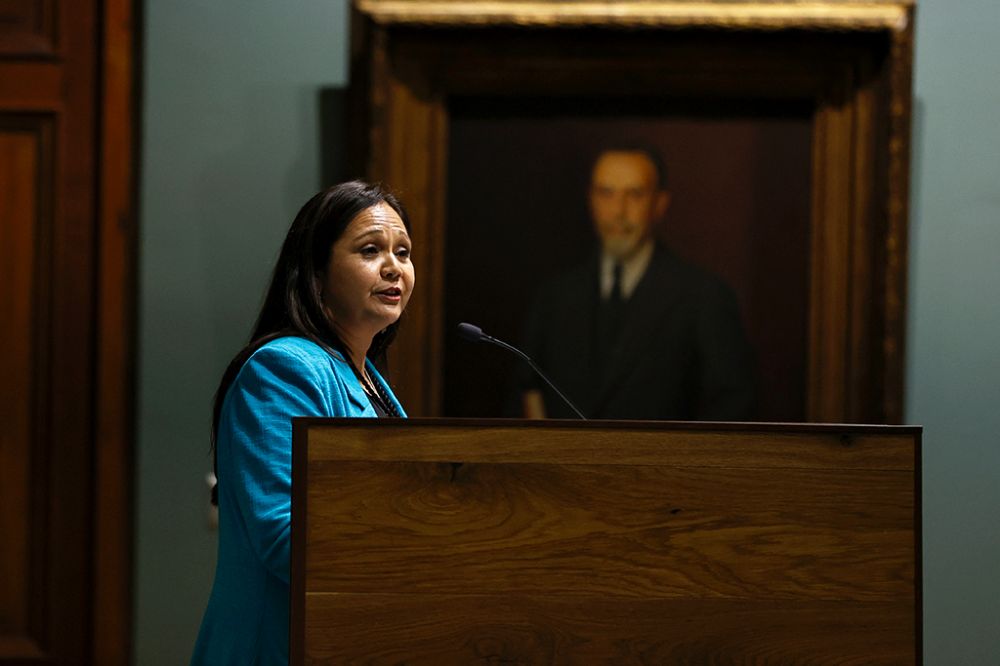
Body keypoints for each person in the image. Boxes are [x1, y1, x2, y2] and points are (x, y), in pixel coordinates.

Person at [191, 181, 415, 664]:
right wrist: (421, 550)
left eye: (403, 252)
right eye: (371, 250)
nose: (394, 266)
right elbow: (283, 536)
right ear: (316, 272)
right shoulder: (283, 368)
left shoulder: (370, 379)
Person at [520, 147, 756, 420]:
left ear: (660, 204)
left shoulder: (704, 297)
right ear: (591, 200)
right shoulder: (554, 298)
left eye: (635, 195)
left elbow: (733, 410)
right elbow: (525, 396)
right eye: (606, 193)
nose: (619, 211)